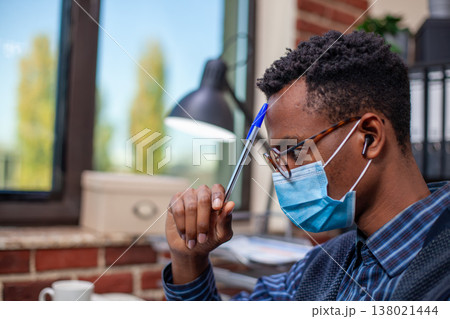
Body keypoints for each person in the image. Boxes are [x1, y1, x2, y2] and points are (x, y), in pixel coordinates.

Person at [162, 30, 450, 301]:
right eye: (276, 156)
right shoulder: (320, 267)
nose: (281, 172)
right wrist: (189, 259)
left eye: (294, 151)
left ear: (370, 137)